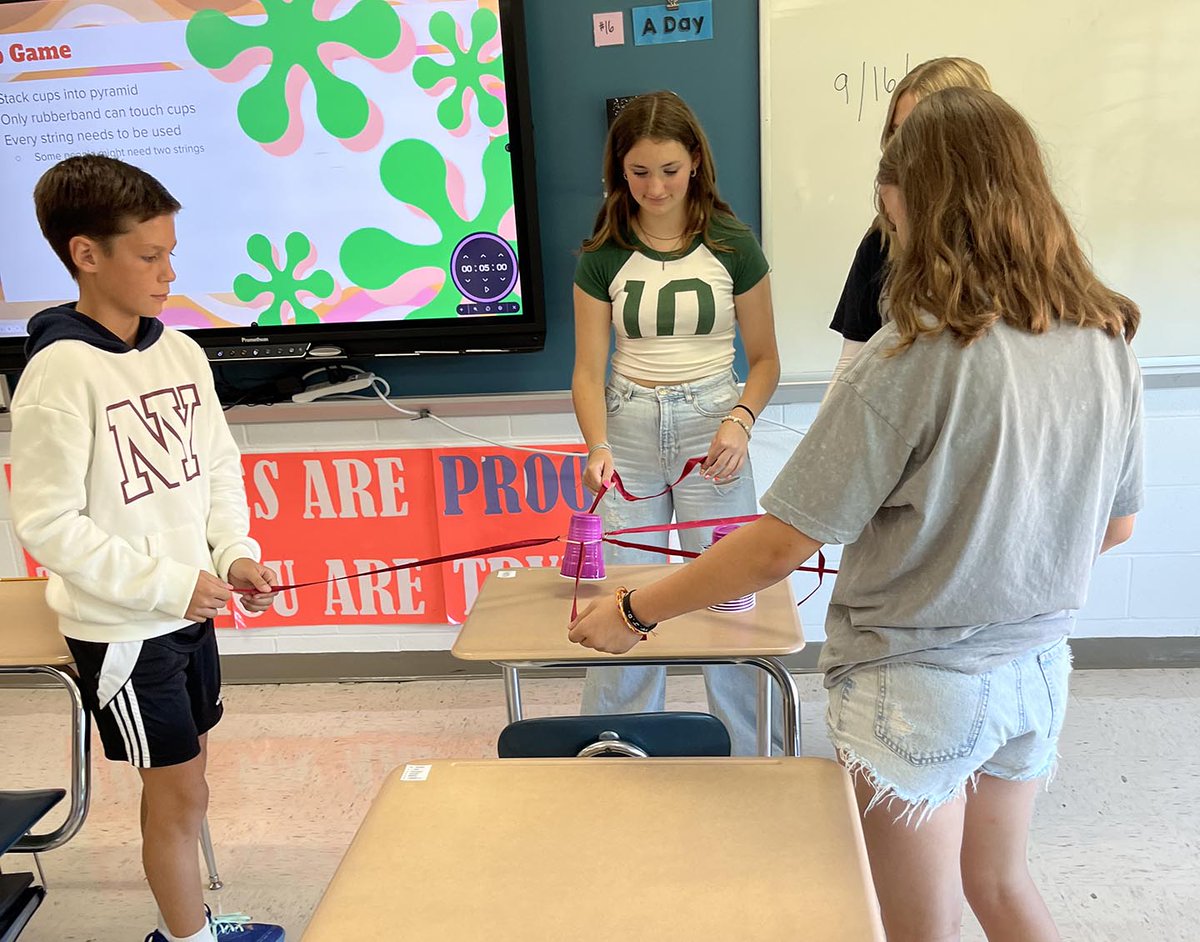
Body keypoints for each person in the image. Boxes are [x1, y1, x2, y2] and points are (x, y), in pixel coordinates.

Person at [568, 87, 1142, 942]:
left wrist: (631, 608)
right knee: (1004, 885)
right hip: (1037, 674)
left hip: (917, 685)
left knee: (918, 927)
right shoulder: (1104, 337)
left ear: (926, 207)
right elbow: (1117, 526)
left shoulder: (908, 355)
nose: (890, 232)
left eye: (893, 210)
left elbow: (776, 547)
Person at [9, 155, 286, 942]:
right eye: (149, 256)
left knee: (190, 784)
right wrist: (169, 583)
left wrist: (234, 554)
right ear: (85, 255)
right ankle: (187, 939)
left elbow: (218, 467)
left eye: (171, 252)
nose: (170, 273)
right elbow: (49, 524)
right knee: (174, 794)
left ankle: (190, 925)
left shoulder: (179, 352)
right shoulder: (59, 373)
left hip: (181, 614)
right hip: (125, 632)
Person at [571, 91, 782, 754]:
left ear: (695, 162)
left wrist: (741, 419)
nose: (655, 186)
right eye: (639, 172)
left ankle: (755, 751)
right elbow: (586, 371)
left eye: (669, 169)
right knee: (626, 595)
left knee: (731, 595)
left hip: (711, 425)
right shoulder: (604, 252)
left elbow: (768, 359)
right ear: (618, 171)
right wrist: (597, 444)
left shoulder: (731, 244)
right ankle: (617, 742)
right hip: (630, 424)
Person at [827, 57, 991, 388]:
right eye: (898, 132)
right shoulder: (883, 238)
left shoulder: (1015, 239)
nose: (904, 151)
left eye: (919, 133)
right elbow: (852, 361)